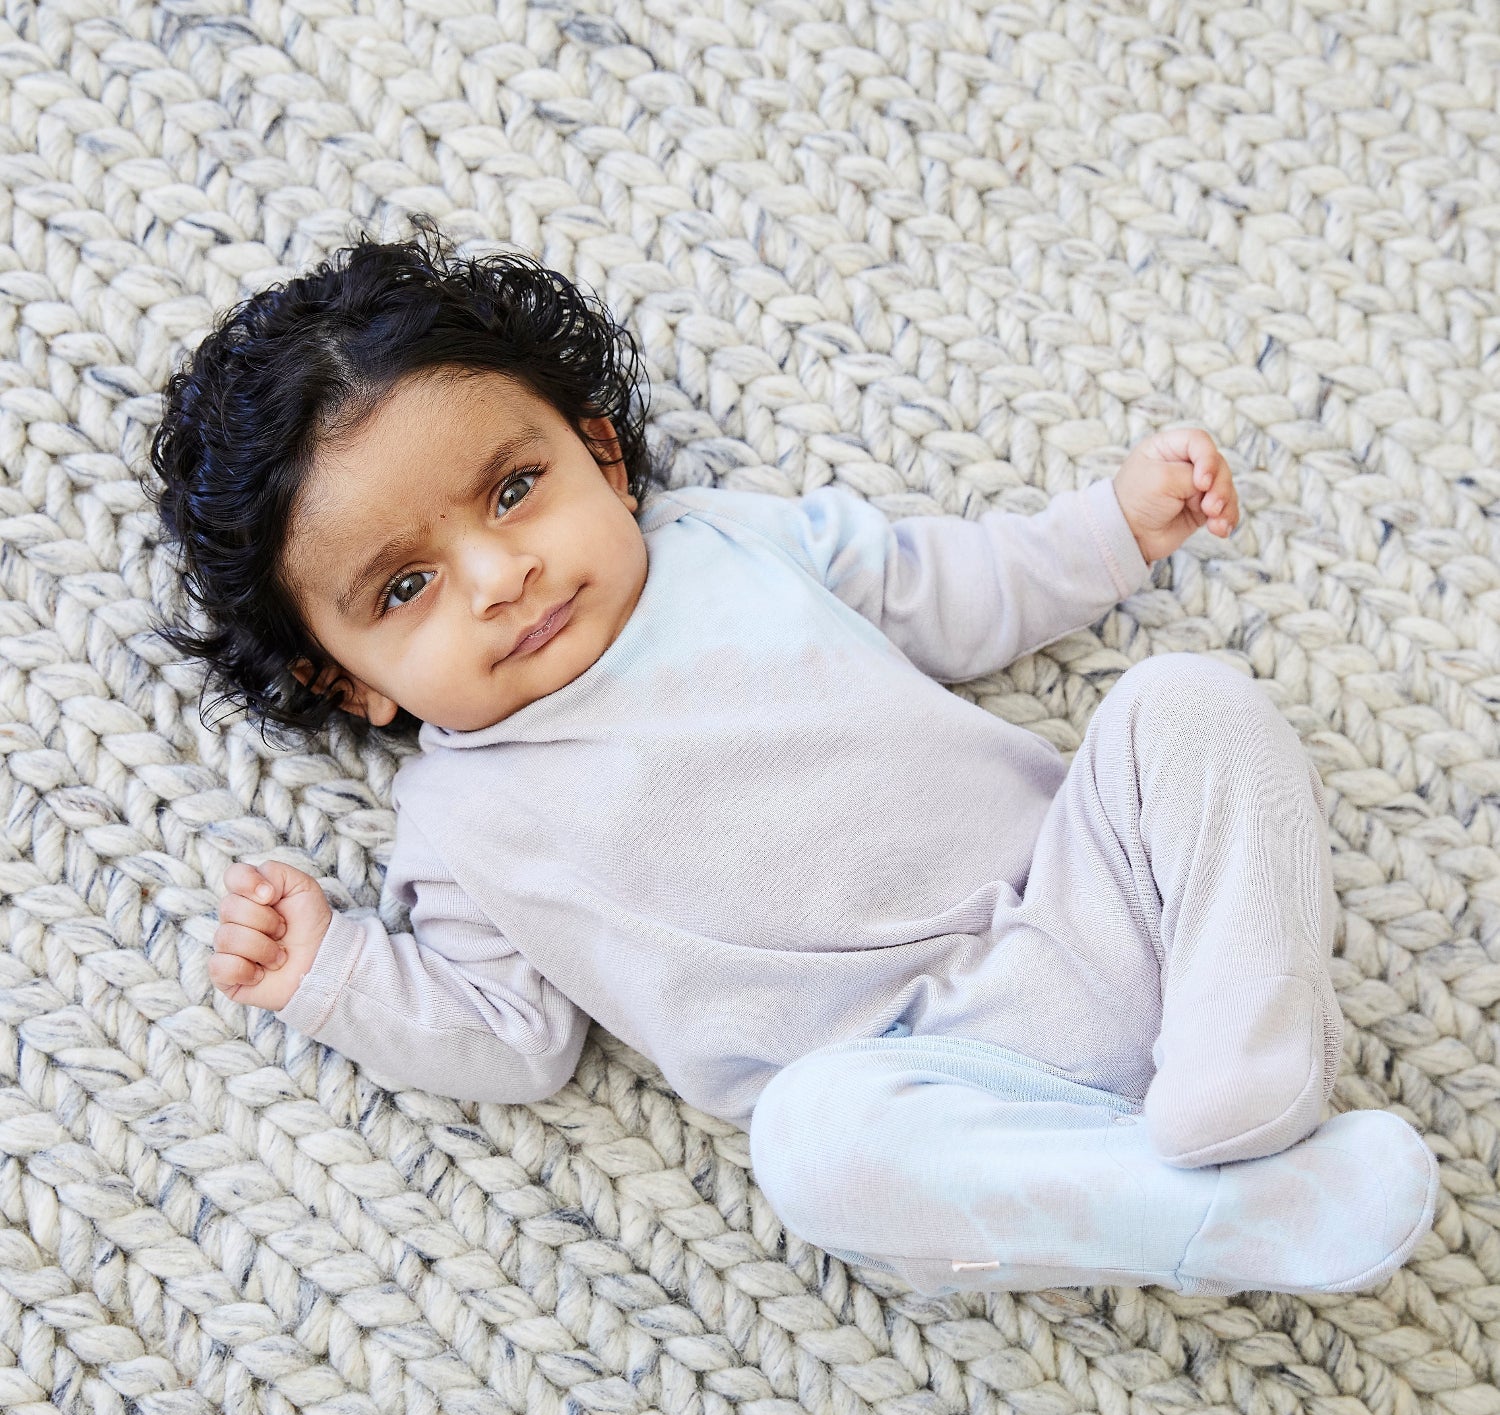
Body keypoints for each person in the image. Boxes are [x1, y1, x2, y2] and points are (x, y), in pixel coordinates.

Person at [148, 217, 1437, 1298]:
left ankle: (1243, 1048)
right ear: (344, 680)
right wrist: (337, 974)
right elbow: (511, 1038)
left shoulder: (730, 545)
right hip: (929, 1090)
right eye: (407, 588)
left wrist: (1109, 529)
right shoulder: (458, 827)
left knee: (1186, 704)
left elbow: (955, 589)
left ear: (598, 452)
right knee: (809, 1147)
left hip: (1083, 904)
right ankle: (1206, 1210)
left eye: (513, 490)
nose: (501, 577)